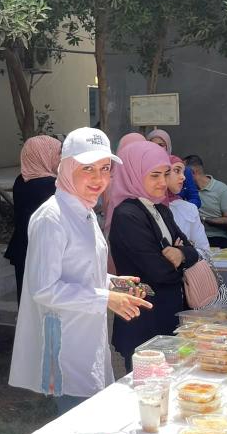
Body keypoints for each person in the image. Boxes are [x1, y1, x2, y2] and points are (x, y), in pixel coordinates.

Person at [9, 128, 152, 414]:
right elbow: (44, 289)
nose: (98, 179)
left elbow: (80, 271)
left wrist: (112, 283)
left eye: (105, 169)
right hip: (64, 342)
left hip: (88, 336)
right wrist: (106, 298)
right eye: (88, 169)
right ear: (67, 168)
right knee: (77, 418)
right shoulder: (52, 218)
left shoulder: (84, 210)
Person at [109, 141, 200, 371]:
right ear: (134, 174)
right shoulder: (127, 215)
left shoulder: (160, 208)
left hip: (167, 313)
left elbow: (193, 251)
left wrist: (180, 253)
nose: (162, 182)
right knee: (146, 384)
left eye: (166, 174)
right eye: (154, 175)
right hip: (143, 318)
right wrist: (180, 260)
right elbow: (158, 271)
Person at [4, 136, 61, 302]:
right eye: (57, 153)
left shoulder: (20, 181)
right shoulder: (52, 185)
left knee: (25, 299)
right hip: (46, 252)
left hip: (23, 247)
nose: (60, 158)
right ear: (45, 155)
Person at [184, 155, 227, 247]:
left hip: (215, 237)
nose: (181, 176)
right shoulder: (184, 189)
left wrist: (204, 219)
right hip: (190, 237)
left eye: (183, 172)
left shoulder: (222, 189)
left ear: (193, 172)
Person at [165, 157, 210, 252]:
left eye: (183, 172)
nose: (183, 177)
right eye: (177, 171)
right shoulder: (143, 209)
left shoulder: (188, 208)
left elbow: (204, 251)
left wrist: (184, 253)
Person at [147, 129, 201, 207]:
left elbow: (195, 199)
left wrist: (181, 207)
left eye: (161, 145)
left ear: (167, 147)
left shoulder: (182, 170)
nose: (156, 148)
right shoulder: (144, 170)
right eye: (152, 145)